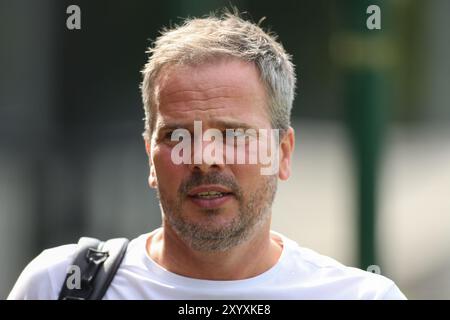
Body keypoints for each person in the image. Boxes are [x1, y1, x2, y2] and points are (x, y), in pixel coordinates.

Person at [8, 11, 406, 300]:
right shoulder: (61, 285)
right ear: (150, 154)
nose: (203, 158)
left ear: (283, 153)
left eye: (233, 134)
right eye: (177, 135)